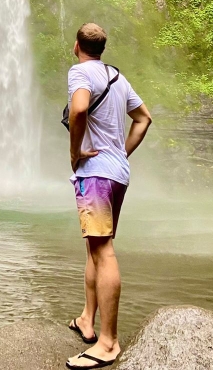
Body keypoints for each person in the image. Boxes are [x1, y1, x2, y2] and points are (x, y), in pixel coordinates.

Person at [66, 23, 152, 369]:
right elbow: (144, 118)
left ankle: (109, 342)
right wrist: (120, 152)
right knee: (95, 244)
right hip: (116, 173)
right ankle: (88, 319)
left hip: (96, 174)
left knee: (103, 249)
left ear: (77, 47)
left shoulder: (80, 73)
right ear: (102, 48)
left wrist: (76, 152)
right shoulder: (117, 77)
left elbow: (79, 109)